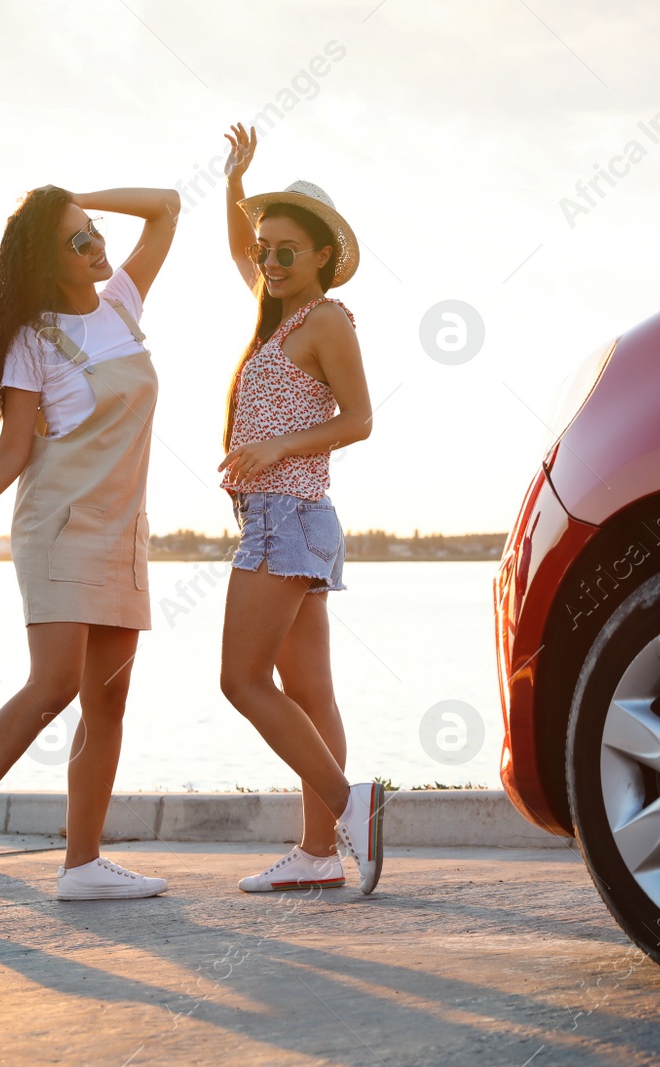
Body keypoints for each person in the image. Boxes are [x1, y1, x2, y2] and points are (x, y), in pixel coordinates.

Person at [0, 185, 178, 919]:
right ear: (48, 263)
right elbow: (14, 448)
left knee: (107, 697)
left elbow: (168, 206)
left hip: (122, 529)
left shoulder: (120, 306)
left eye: (92, 234)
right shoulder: (33, 339)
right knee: (53, 685)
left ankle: (82, 863)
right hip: (59, 526)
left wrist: (69, 198)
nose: (94, 246)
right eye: (76, 240)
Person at [216, 125, 385, 895]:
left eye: (288, 251)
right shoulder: (279, 316)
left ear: (321, 256)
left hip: (287, 514)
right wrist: (234, 184)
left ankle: (352, 808)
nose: (271, 262)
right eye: (266, 250)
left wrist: (275, 447)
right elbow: (238, 249)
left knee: (242, 680)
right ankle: (319, 853)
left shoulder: (326, 319)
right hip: (290, 517)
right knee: (311, 694)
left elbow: (359, 419)